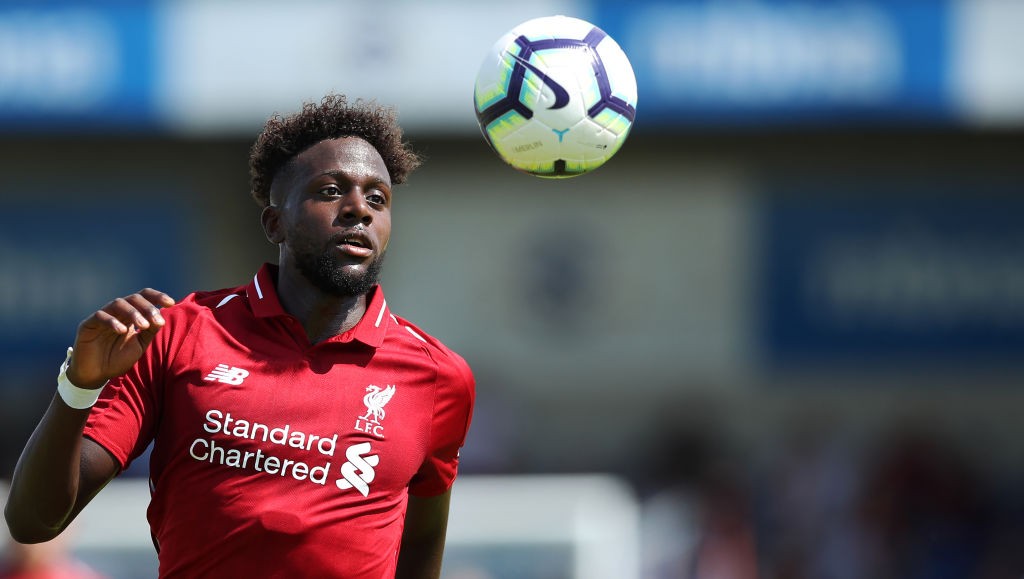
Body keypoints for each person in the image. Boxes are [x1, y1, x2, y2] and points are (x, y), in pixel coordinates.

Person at [4, 94, 476, 578]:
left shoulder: (439, 377)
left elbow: (420, 544)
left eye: (378, 198)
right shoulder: (178, 334)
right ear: (275, 223)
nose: (359, 209)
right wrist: (78, 387)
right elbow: (33, 522)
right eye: (332, 191)